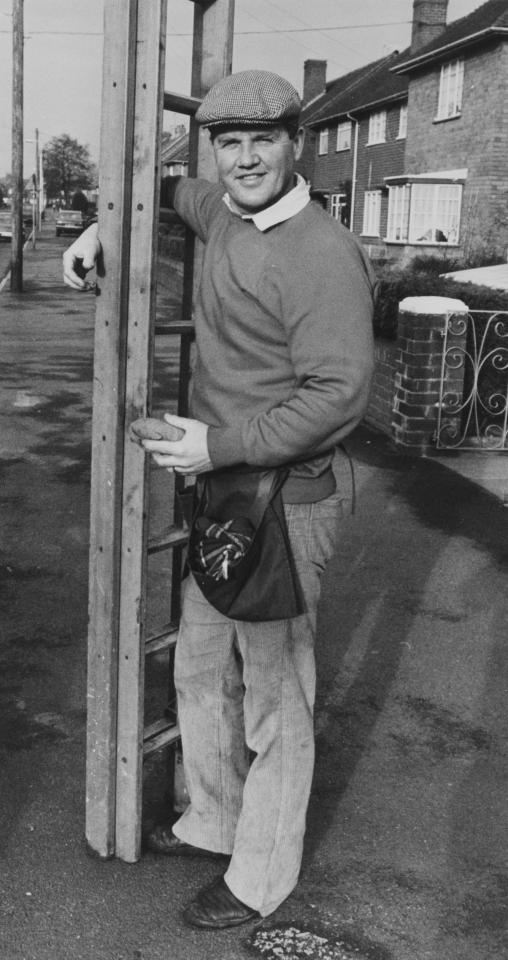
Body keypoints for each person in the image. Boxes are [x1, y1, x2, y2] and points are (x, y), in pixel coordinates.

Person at [63, 70, 376, 930]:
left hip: (286, 495)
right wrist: (100, 225)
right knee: (203, 668)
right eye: (228, 143)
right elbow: (161, 189)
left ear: (296, 143)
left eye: (262, 141)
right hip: (225, 491)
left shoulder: (318, 251)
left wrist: (217, 444)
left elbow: (339, 395)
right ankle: (216, 821)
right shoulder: (223, 211)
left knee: (276, 692)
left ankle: (261, 878)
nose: (243, 159)